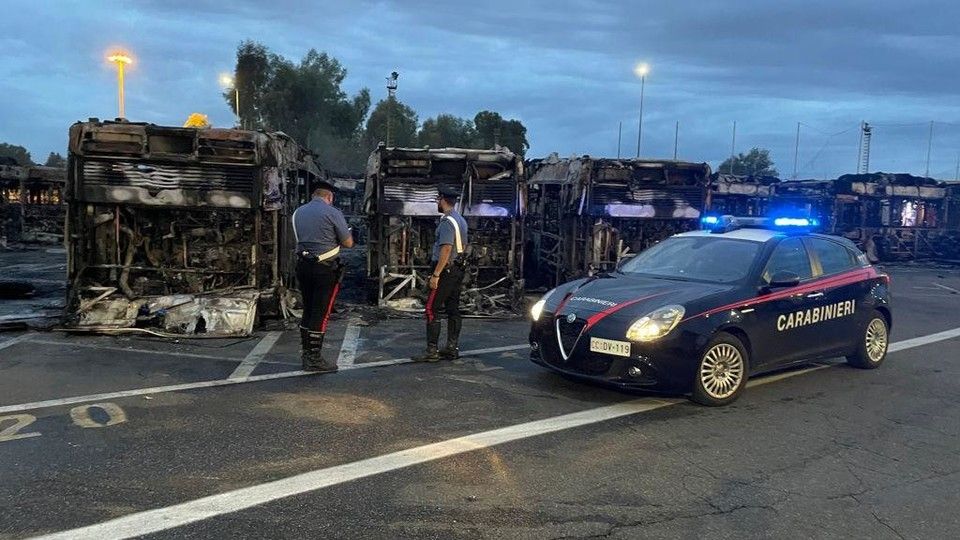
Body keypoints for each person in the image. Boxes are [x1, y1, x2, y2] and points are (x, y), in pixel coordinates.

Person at [292, 179, 354, 372]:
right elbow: (348, 243)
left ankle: (306, 352)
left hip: (303, 266)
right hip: (324, 269)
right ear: (329, 197)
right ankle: (314, 358)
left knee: (308, 310)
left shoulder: (298, 213)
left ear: (313, 195)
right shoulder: (333, 213)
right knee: (321, 312)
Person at [413, 185, 469, 362]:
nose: (437, 202)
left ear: (443, 200)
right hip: (458, 269)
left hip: (445, 270)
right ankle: (452, 348)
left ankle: (432, 351)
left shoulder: (446, 222)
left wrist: (436, 274)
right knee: (453, 309)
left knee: (431, 308)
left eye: (438, 199)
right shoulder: (460, 220)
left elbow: (446, 248)